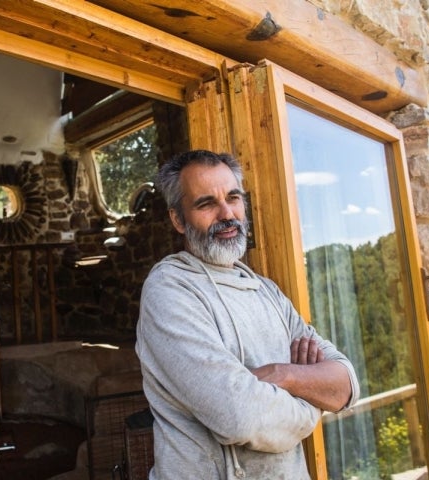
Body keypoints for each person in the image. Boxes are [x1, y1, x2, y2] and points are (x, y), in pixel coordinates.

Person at [135, 150, 359, 479]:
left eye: (234, 197)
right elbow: (240, 417)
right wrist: (313, 402)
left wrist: (285, 375)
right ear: (178, 220)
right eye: (206, 203)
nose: (227, 214)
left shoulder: (266, 291)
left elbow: (345, 388)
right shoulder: (168, 291)